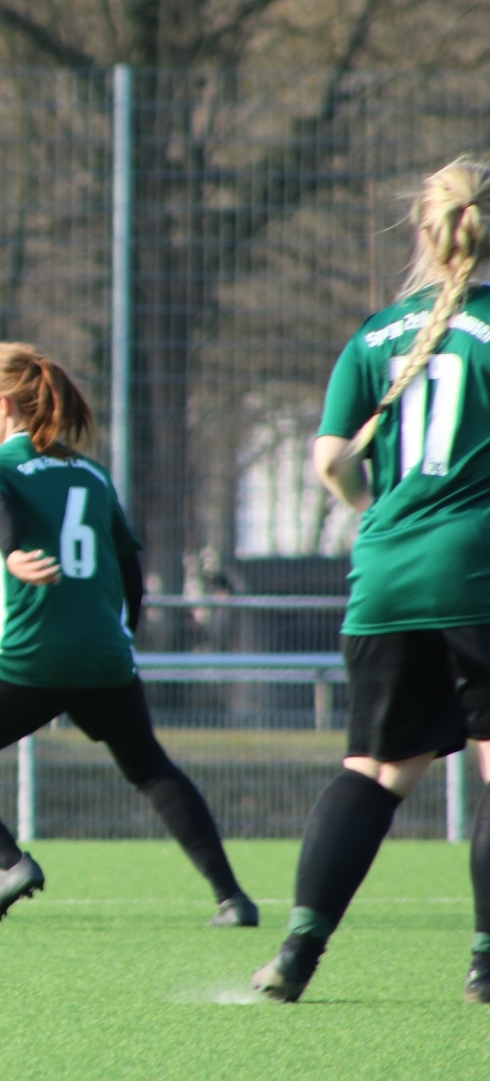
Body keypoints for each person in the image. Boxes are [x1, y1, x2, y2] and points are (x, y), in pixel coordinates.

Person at [0, 342, 257, 927]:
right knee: (149, 766)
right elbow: (130, 570)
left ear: (5, 404)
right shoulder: (92, 473)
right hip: (106, 661)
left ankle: (8, 862)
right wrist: (124, 640)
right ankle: (231, 898)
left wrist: (11, 553)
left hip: (26, 663)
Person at [253, 158, 490, 1004]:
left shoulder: (375, 335)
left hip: (385, 575)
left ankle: (297, 953)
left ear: (425, 232)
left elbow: (330, 461)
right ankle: (487, 967)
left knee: (377, 772)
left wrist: (378, 510)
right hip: (478, 574)